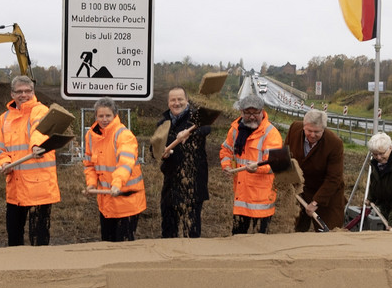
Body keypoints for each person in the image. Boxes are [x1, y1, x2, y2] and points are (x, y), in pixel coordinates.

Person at [0, 75, 60, 246]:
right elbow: (0, 148)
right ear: (12, 94)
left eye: (27, 91)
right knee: (14, 236)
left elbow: (39, 129)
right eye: (19, 91)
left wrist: (37, 145)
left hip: (39, 186)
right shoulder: (5, 118)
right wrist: (4, 163)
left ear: (33, 92)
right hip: (15, 186)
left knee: (39, 238)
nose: (24, 95)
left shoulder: (40, 110)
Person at [83, 97, 147, 242]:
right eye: (101, 116)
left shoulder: (124, 135)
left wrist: (117, 184)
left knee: (123, 245)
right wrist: (91, 184)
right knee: (107, 243)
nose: (104, 119)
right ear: (95, 116)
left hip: (126, 200)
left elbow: (125, 163)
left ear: (115, 115)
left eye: (108, 116)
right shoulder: (91, 136)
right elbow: (89, 165)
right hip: (106, 202)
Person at [219, 93, 283, 235]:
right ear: (241, 112)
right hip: (241, 197)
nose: (252, 116)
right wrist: (227, 166)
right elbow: (226, 150)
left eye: (256, 113)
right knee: (237, 238)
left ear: (262, 112)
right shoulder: (235, 130)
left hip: (262, 200)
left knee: (260, 242)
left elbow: (275, 164)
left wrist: (257, 169)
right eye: (248, 113)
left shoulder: (271, 134)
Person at [156, 86, 211, 238]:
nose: (177, 103)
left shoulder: (196, 118)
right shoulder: (163, 124)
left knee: (192, 231)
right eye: (173, 100)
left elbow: (207, 127)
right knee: (168, 230)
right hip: (171, 183)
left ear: (187, 101)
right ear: (168, 103)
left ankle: (192, 260)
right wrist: (162, 154)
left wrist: (189, 133)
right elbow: (154, 149)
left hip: (192, 184)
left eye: (180, 99)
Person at [284, 109, 346, 231]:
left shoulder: (334, 144)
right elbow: (286, 156)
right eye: (309, 131)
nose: (312, 135)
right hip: (301, 189)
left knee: (328, 231)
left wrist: (316, 202)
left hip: (326, 192)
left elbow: (334, 178)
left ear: (324, 129)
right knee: (296, 229)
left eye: (317, 132)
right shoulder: (294, 129)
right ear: (303, 126)